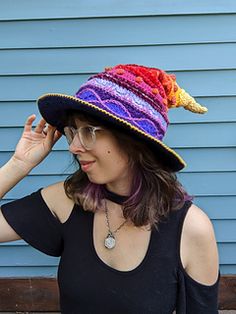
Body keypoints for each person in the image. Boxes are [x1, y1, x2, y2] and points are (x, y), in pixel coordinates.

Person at [0, 64, 220, 313]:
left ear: (133, 140)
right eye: (73, 132)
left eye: (89, 131)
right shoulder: (67, 201)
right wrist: (18, 165)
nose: (73, 146)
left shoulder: (190, 229)